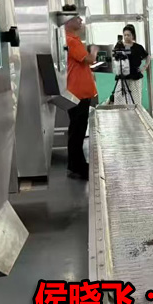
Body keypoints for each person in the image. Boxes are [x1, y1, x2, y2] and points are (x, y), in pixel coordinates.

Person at [65, 13, 97, 180]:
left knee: (77, 129)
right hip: (77, 93)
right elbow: (89, 60)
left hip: (79, 92)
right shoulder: (71, 40)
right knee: (77, 130)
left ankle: (74, 164)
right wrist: (95, 50)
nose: (81, 20)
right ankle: (77, 166)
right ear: (68, 21)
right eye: (77, 18)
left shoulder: (73, 40)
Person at [112, 24, 149, 106]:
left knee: (135, 99)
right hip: (122, 77)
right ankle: (121, 114)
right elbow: (114, 56)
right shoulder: (119, 46)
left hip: (134, 76)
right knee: (119, 98)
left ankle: (135, 113)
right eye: (125, 35)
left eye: (128, 35)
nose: (126, 37)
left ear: (133, 36)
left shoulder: (138, 47)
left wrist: (144, 67)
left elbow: (147, 56)